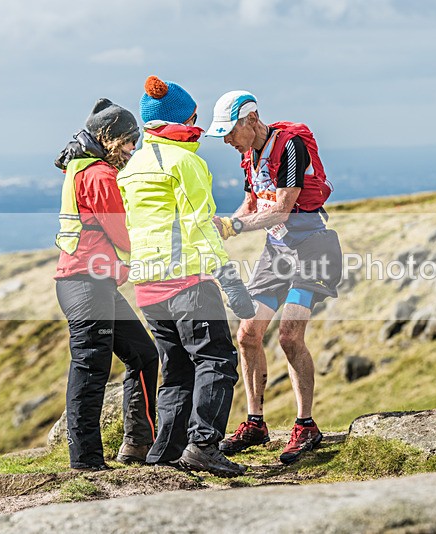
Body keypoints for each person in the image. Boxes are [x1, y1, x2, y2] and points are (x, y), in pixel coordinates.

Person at [117, 76, 255, 477]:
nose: (197, 124)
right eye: (194, 116)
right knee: (217, 360)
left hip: (147, 287)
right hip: (189, 284)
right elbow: (199, 228)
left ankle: (166, 453)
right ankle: (203, 445)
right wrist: (230, 280)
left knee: (176, 369)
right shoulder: (186, 163)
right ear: (181, 120)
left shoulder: (131, 167)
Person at [206, 90, 343, 464]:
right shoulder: (250, 156)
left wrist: (233, 226)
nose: (228, 141)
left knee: (288, 335)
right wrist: (219, 224)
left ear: (251, 120)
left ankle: (306, 425)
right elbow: (252, 205)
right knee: (248, 333)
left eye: (231, 132)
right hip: (276, 253)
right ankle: (255, 423)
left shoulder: (292, 146)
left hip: (313, 250)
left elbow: (282, 210)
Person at [54, 98, 159, 471]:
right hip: (87, 285)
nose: (133, 150)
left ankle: (138, 443)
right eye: (130, 142)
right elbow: (124, 234)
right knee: (90, 369)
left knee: (144, 355)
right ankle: (86, 462)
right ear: (110, 137)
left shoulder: (84, 167)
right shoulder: (98, 175)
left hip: (91, 284)